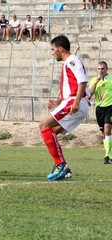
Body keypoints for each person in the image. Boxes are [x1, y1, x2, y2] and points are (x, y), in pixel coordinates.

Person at [39, 35, 91, 181]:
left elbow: (82, 82)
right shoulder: (67, 63)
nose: (52, 52)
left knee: (43, 125)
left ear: (60, 48)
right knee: (51, 132)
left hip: (75, 102)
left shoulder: (72, 60)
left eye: (53, 49)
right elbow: (73, 87)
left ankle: (61, 165)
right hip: (73, 101)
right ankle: (62, 167)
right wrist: (58, 102)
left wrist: (75, 102)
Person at [89, 61, 112, 164]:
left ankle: (108, 156)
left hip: (110, 108)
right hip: (99, 109)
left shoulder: (111, 79)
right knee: (104, 133)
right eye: (98, 69)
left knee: (107, 131)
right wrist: (96, 81)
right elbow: (89, 93)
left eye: (102, 69)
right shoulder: (94, 80)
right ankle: (109, 152)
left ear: (107, 69)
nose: (100, 71)